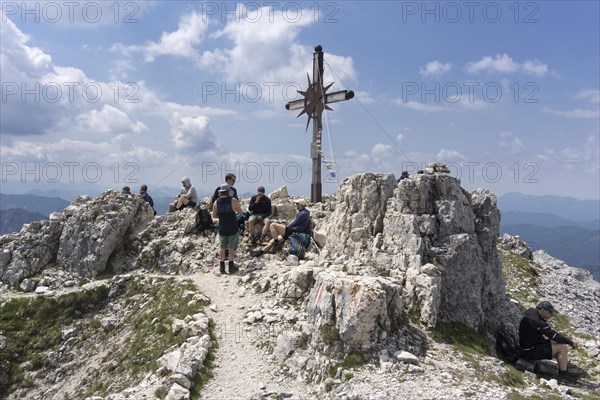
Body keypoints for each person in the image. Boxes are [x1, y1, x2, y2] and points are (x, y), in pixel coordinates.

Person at [519, 301, 579, 383]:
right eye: (550, 312)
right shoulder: (537, 321)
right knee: (562, 348)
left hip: (527, 347)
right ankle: (563, 376)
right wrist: (571, 342)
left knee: (556, 343)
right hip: (530, 351)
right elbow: (554, 335)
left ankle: (565, 371)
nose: (551, 314)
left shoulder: (531, 314)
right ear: (543, 310)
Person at [212, 183, 243, 274]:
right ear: (229, 191)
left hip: (222, 227)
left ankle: (222, 268)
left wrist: (222, 216)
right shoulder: (233, 200)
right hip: (232, 227)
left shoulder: (216, 202)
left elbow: (214, 215)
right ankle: (231, 267)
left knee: (222, 248)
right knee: (231, 248)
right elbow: (240, 212)